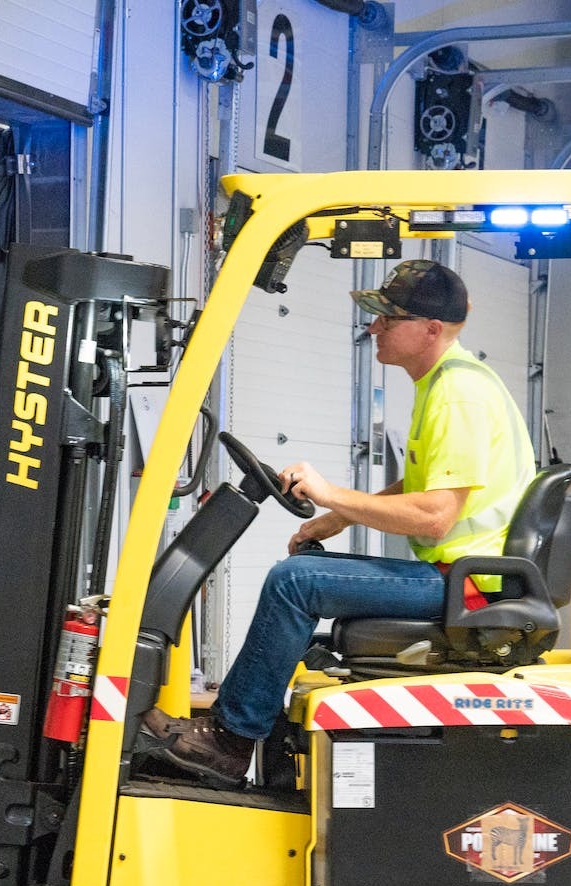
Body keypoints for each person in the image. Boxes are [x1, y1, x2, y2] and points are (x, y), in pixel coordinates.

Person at [157, 259, 536, 786]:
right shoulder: (448, 381)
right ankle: (255, 734)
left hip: (468, 587)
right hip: (466, 578)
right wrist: (334, 518)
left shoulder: (458, 394)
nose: (373, 327)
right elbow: (425, 484)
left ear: (430, 330)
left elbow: (434, 515)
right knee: (305, 568)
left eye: (388, 318)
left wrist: (329, 490)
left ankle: (231, 741)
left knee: (293, 583)